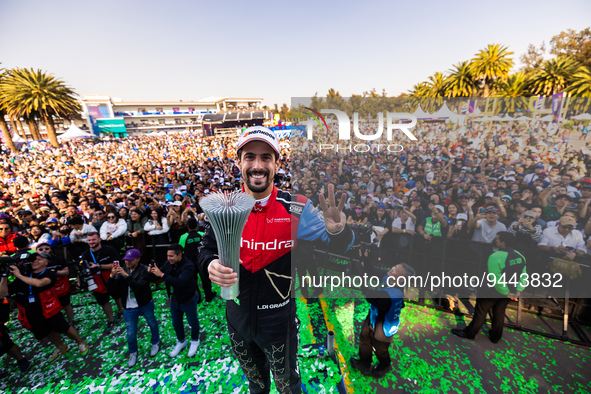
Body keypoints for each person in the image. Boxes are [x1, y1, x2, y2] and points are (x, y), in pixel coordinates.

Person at [198, 126, 352, 394]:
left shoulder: (297, 207)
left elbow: (341, 245)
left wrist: (339, 231)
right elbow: (204, 249)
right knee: (256, 386)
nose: (257, 166)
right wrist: (210, 264)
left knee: (288, 386)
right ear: (238, 162)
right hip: (237, 320)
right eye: (250, 157)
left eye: (266, 157)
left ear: (277, 163)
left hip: (279, 322)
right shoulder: (224, 207)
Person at [1, 252, 89, 362]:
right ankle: (60, 346)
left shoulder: (49, 273)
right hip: (32, 311)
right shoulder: (24, 276)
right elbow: (2, 293)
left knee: (64, 328)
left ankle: (80, 342)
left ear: (47, 263)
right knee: (47, 332)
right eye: (33, 260)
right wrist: (4, 275)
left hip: (49, 308)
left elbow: (40, 283)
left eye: (39, 259)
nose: (35, 261)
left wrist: (19, 275)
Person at [451, 232, 527, 343]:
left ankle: (470, 333)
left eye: (497, 239)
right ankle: (496, 336)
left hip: (492, 291)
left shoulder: (495, 256)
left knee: (481, 312)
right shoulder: (520, 255)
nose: (495, 241)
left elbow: (495, 277)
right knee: (499, 312)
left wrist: (506, 292)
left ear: (503, 242)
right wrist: (518, 290)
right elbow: (523, 275)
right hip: (510, 290)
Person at [350, 263, 415, 378]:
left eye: (396, 270)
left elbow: (368, 293)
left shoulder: (390, 296)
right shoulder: (389, 277)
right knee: (365, 339)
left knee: (380, 349)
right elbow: (371, 268)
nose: (392, 268)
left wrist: (359, 271)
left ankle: (385, 365)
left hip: (384, 326)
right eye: (394, 266)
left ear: (400, 280)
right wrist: (365, 257)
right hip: (374, 315)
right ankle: (364, 364)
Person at [108, 249, 160, 368]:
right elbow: (112, 290)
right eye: (126, 260)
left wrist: (126, 276)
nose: (127, 262)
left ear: (138, 259)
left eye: (130, 260)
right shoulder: (121, 270)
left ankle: (155, 342)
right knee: (130, 332)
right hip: (129, 307)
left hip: (145, 303)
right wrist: (111, 276)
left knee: (152, 323)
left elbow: (139, 286)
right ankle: (133, 352)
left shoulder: (144, 270)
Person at [148, 244, 200, 358]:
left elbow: (180, 282)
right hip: (175, 299)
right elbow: (157, 277)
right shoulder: (168, 263)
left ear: (179, 255)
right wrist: (151, 272)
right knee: (176, 323)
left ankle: (195, 340)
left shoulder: (189, 266)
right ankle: (182, 341)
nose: (168, 258)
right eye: (167, 256)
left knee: (192, 322)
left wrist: (161, 274)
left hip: (188, 299)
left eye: (171, 256)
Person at [80, 232, 124, 332]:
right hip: (96, 281)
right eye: (89, 240)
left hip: (110, 276)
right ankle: (111, 319)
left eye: (93, 239)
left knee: (117, 296)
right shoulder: (85, 254)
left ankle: (121, 311)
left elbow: (117, 264)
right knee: (103, 301)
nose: (91, 242)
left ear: (99, 239)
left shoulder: (109, 249)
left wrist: (99, 266)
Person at [179, 217, 215, 302]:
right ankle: (208, 296)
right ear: (197, 225)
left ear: (187, 226)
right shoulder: (202, 233)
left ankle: (198, 298)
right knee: (206, 280)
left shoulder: (183, 237)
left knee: (193, 281)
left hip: (190, 263)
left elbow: (181, 251)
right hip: (202, 262)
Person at [39, 242, 74, 324]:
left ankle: (70, 321)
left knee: (66, 304)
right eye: (41, 249)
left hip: (61, 287)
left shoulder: (58, 259)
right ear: (36, 251)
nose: (44, 250)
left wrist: (53, 272)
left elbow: (66, 272)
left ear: (50, 249)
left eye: (46, 248)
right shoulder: (34, 263)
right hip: (45, 290)